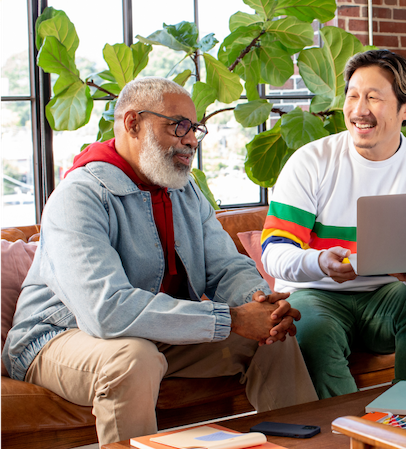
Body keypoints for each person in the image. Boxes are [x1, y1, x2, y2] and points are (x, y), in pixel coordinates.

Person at [1, 77, 317, 445]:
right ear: (133, 123)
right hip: (56, 339)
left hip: (152, 336)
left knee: (272, 339)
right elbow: (106, 311)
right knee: (133, 359)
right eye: (178, 126)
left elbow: (225, 267)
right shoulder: (78, 197)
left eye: (195, 128)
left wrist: (262, 308)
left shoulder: (184, 191)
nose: (191, 140)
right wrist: (228, 319)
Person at [260, 49, 406, 399]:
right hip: (316, 293)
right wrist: (319, 262)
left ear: (405, 108)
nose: (359, 110)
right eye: (352, 96)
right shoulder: (311, 162)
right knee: (312, 333)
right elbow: (274, 252)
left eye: (374, 98)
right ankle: (353, 430)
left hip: (388, 297)